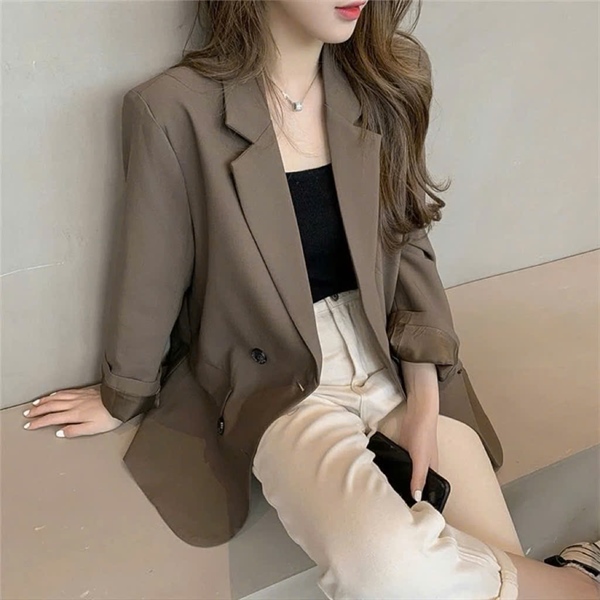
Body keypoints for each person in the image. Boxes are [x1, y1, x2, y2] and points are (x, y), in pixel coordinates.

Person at [22, 1, 600, 598]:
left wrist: (424, 399)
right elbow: (152, 269)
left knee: (465, 568)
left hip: (392, 354)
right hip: (280, 382)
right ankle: (577, 583)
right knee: (387, 570)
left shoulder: (384, 82)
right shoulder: (173, 109)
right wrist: (124, 393)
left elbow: (408, 244)